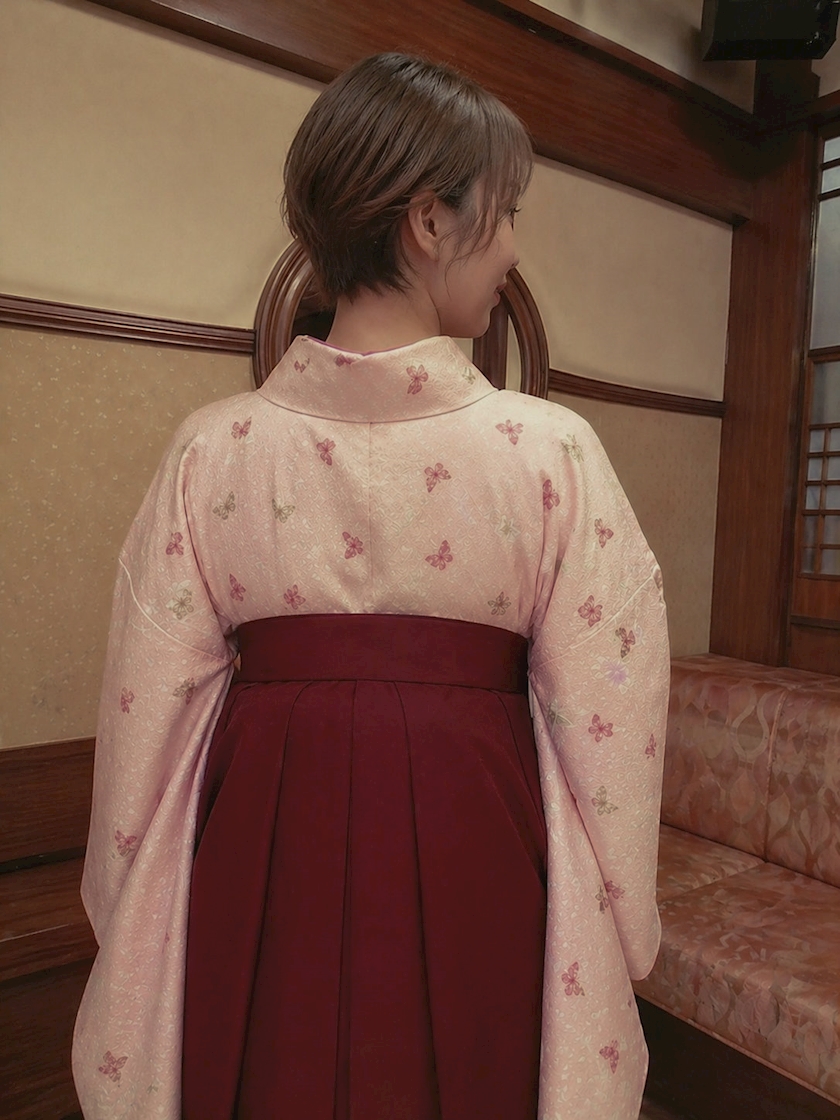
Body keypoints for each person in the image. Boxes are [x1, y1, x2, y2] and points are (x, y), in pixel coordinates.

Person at [73, 52, 669, 1120]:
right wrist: (622, 919)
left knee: (267, 1068)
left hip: (262, 841)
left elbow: (145, 707)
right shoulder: (551, 452)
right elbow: (610, 721)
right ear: (430, 221)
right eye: (508, 212)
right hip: (478, 832)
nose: (514, 247)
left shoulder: (214, 449)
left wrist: (126, 895)